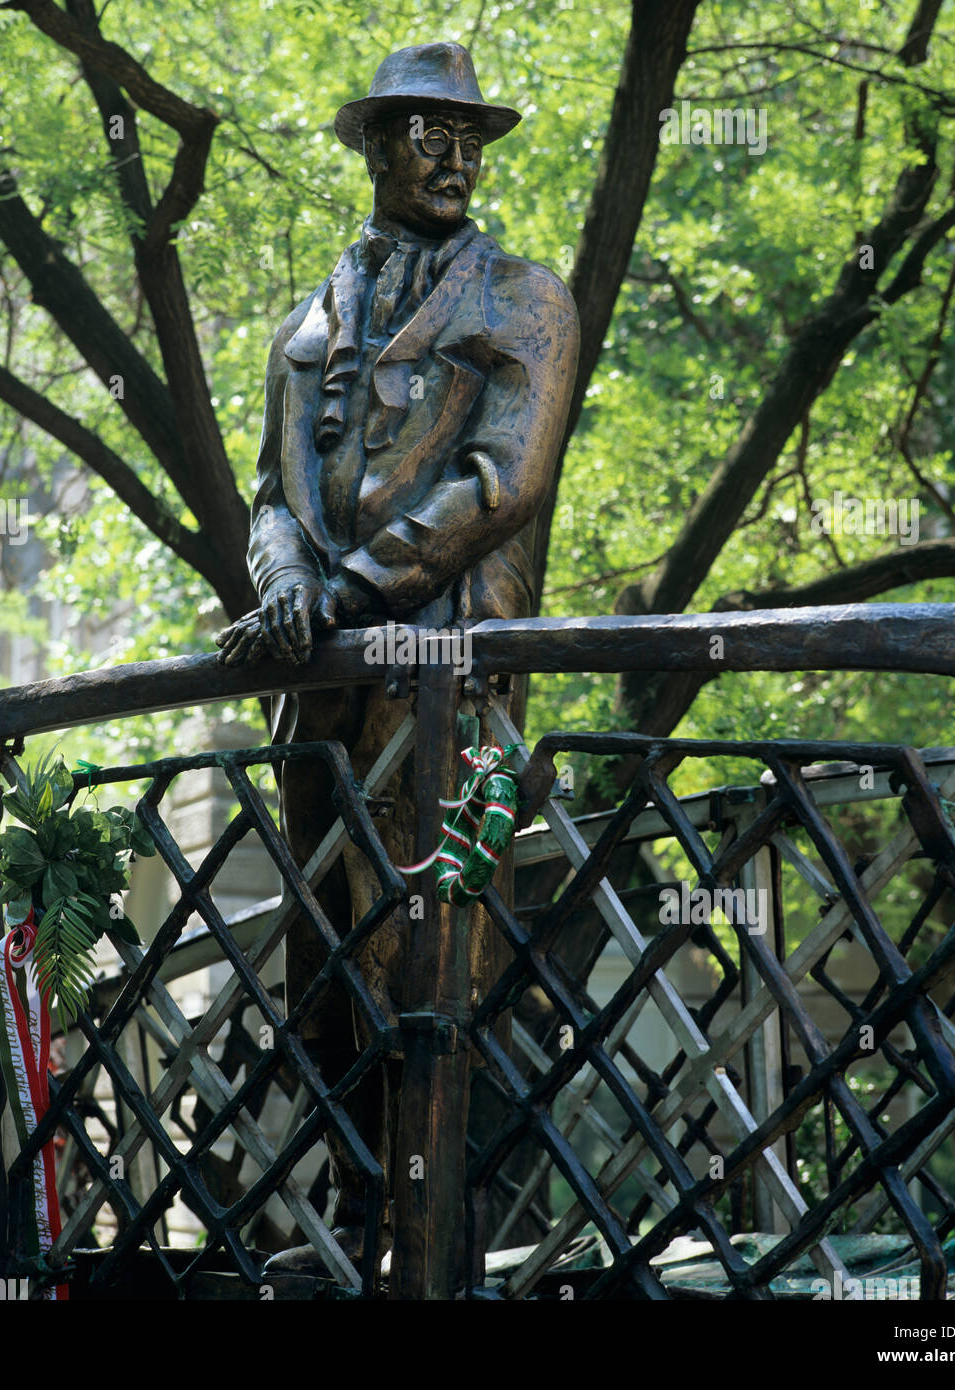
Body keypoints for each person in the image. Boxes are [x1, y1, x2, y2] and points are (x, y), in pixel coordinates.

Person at [217, 41, 579, 1274]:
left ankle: (444, 1246)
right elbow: (270, 490)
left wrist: (348, 595)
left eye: (472, 137)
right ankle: (354, 1219)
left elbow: (503, 479)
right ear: (373, 143)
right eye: (431, 132)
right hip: (318, 692)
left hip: (443, 677)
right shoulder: (305, 318)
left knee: (432, 957)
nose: (457, 157)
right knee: (325, 968)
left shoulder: (521, 297)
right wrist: (280, 588)